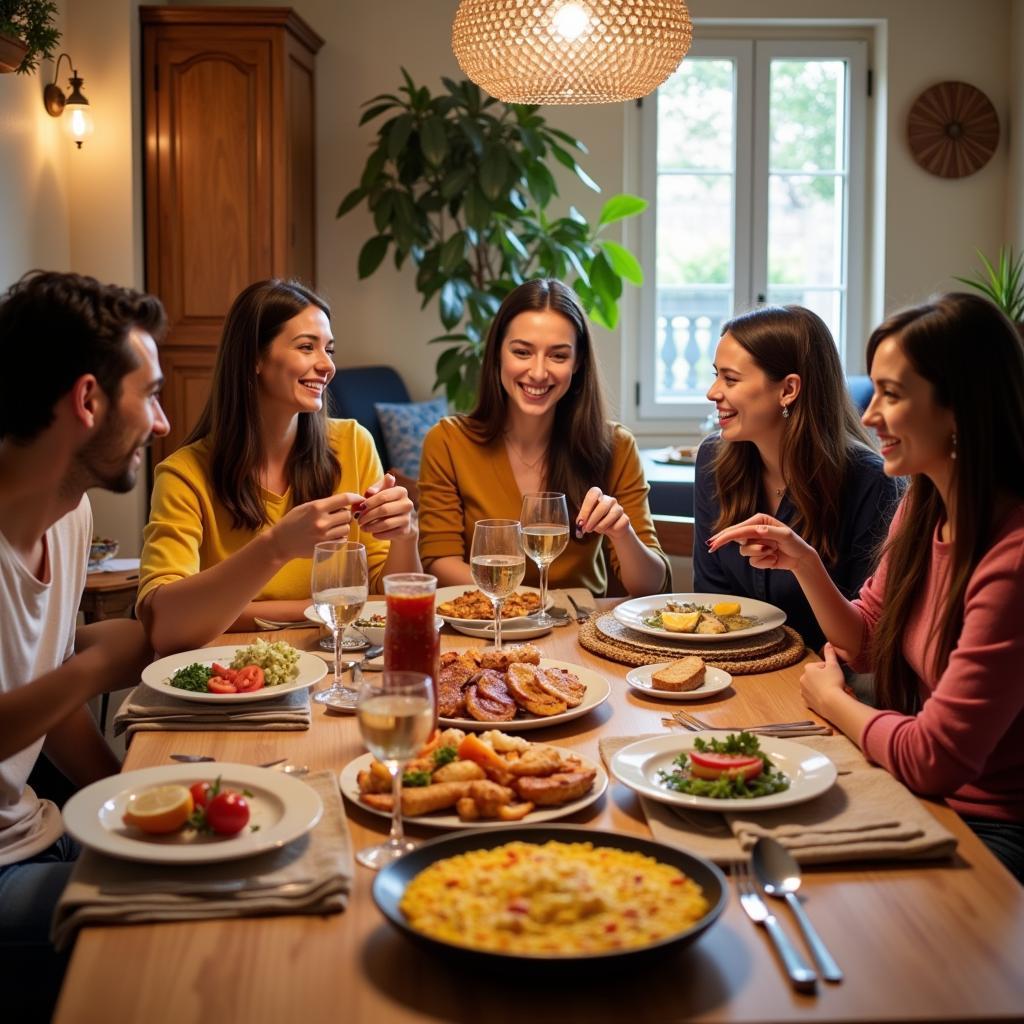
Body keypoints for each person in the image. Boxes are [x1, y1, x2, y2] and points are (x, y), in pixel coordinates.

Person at [708, 294, 1024, 882]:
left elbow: (934, 758)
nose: (870, 413)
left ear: (960, 410)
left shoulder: (1012, 557)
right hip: (915, 787)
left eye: (893, 394)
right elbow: (866, 642)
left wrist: (834, 702)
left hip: (992, 826)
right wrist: (804, 563)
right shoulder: (925, 509)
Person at [0, 270, 169, 1016]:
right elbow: (60, 683)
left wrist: (123, 803)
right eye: (150, 393)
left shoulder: (68, 516)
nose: (161, 421)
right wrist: (96, 666)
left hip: (37, 827)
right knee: (202, 907)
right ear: (89, 400)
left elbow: (46, 699)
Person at [138, 279, 420, 654]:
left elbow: (388, 602)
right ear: (254, 357)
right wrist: (277, 548)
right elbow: (166, 626)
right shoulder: (184, 475)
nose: (327, 365)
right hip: (232, 675)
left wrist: (405, 535)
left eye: (329, 349)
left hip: (336, 661)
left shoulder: (353, 443)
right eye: (307, 347)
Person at [418, 279, 669, 597]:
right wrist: (529, 604)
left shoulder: (616, 445)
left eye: (558, 356)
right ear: (498, 354)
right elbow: (440, 562)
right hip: (485, 628)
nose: (538, 372)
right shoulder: (448, 442)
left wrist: (622, 533)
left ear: (578, 363)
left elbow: (650, 584)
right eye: (522, 352)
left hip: (582, 633)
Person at [694, 305, 901, 650]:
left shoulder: (872, 483)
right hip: (735, 668)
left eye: (730, 379)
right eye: (717, 375)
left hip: (828, 680)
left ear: (788, 389)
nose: (713, 392)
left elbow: (865, 639)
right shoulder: (713, 460)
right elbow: (712, 600)